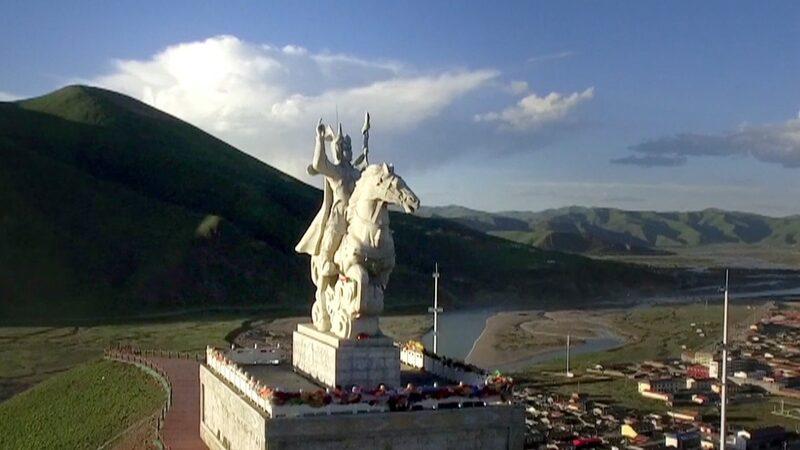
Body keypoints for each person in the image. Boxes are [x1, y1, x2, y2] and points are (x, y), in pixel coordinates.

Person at [295, 119, 368, 327]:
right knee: (331, 240)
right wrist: (319, 140)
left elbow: (366, 170)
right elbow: (319, 164)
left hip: (354, 217)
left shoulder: (354, 172)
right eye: (344, 147)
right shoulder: (335, 172)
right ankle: (325, 266)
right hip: (339, 216)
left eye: (349, 147)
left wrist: (365, 140)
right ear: (338, 150)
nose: (348, 151)